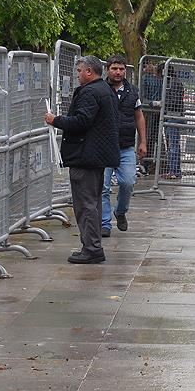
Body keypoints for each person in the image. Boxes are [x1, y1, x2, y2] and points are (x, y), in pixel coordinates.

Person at [46, 55, 120, 264]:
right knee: (93, 203)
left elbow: (82, 121)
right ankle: (93, 245)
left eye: (79, 71)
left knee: (85, 205)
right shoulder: (106, 90)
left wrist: (56, 120)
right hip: (96, 156)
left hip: (85, 157)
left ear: (89, 71)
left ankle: (92, 248)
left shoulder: (90, 92)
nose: (77, 75)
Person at [101, 55, 147, 236]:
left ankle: (120, 212)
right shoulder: (100, 89)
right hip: (103, 146)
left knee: (128, 182)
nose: (118, 72)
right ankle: (105, 223)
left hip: (126, 146)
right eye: (114, 68)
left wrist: (142, 141)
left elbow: (139, 116)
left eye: (121, 69)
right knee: (102, 187)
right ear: (107, 70)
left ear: (125, 70)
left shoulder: (132, 92)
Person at [155, 67, 184, 179]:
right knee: (172, 145)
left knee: (173, 145)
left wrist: (161, 103)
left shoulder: (173, 84)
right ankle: (173, 170)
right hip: (171, 116)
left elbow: (174, 101)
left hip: (173, 116)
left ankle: (175, 171)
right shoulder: (173, 82)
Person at [140, 62, 163, 174]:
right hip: (154, 112)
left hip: (150, 111)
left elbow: (143, 97)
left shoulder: (147, 79)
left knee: (149, 138)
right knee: (151, 138)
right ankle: (147, 163)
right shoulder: (158, 79)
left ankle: (145, 163)